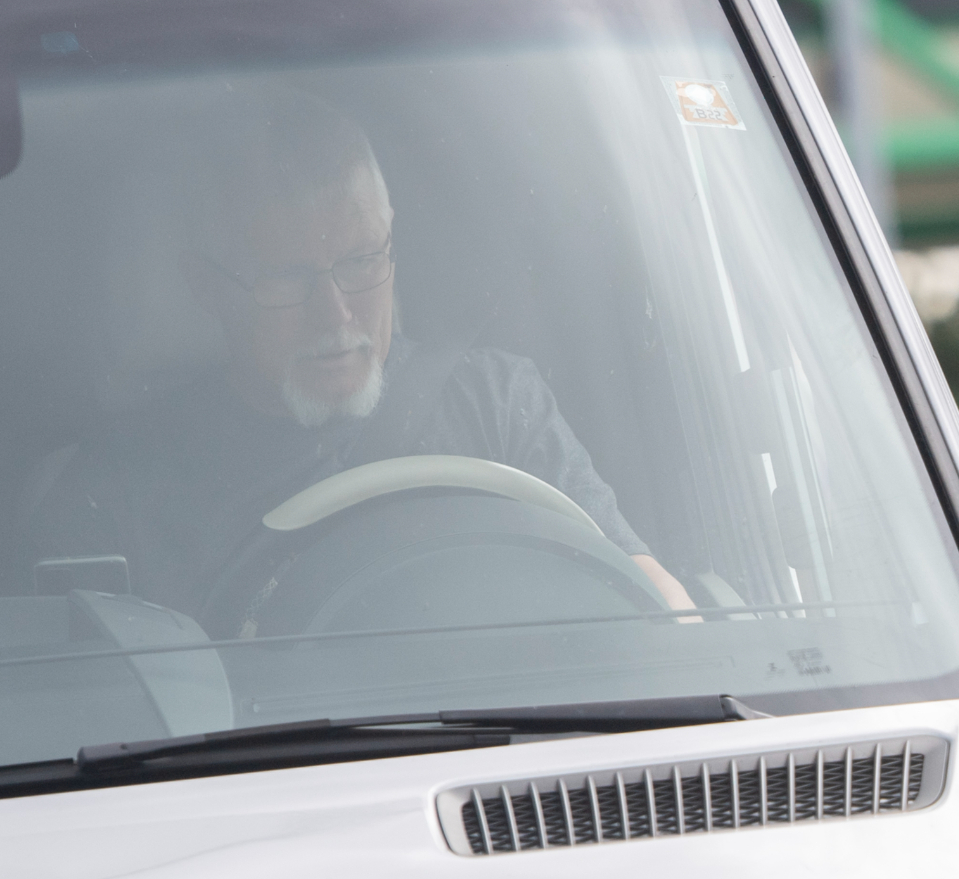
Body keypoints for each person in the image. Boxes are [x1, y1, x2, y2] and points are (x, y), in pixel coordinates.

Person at [19, 82, 695, 620]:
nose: (335, 313)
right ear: (209, 288)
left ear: (392, 241)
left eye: (362, 259)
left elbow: (654, 606)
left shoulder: (495, 406)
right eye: (288, 278)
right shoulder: (116, 494)